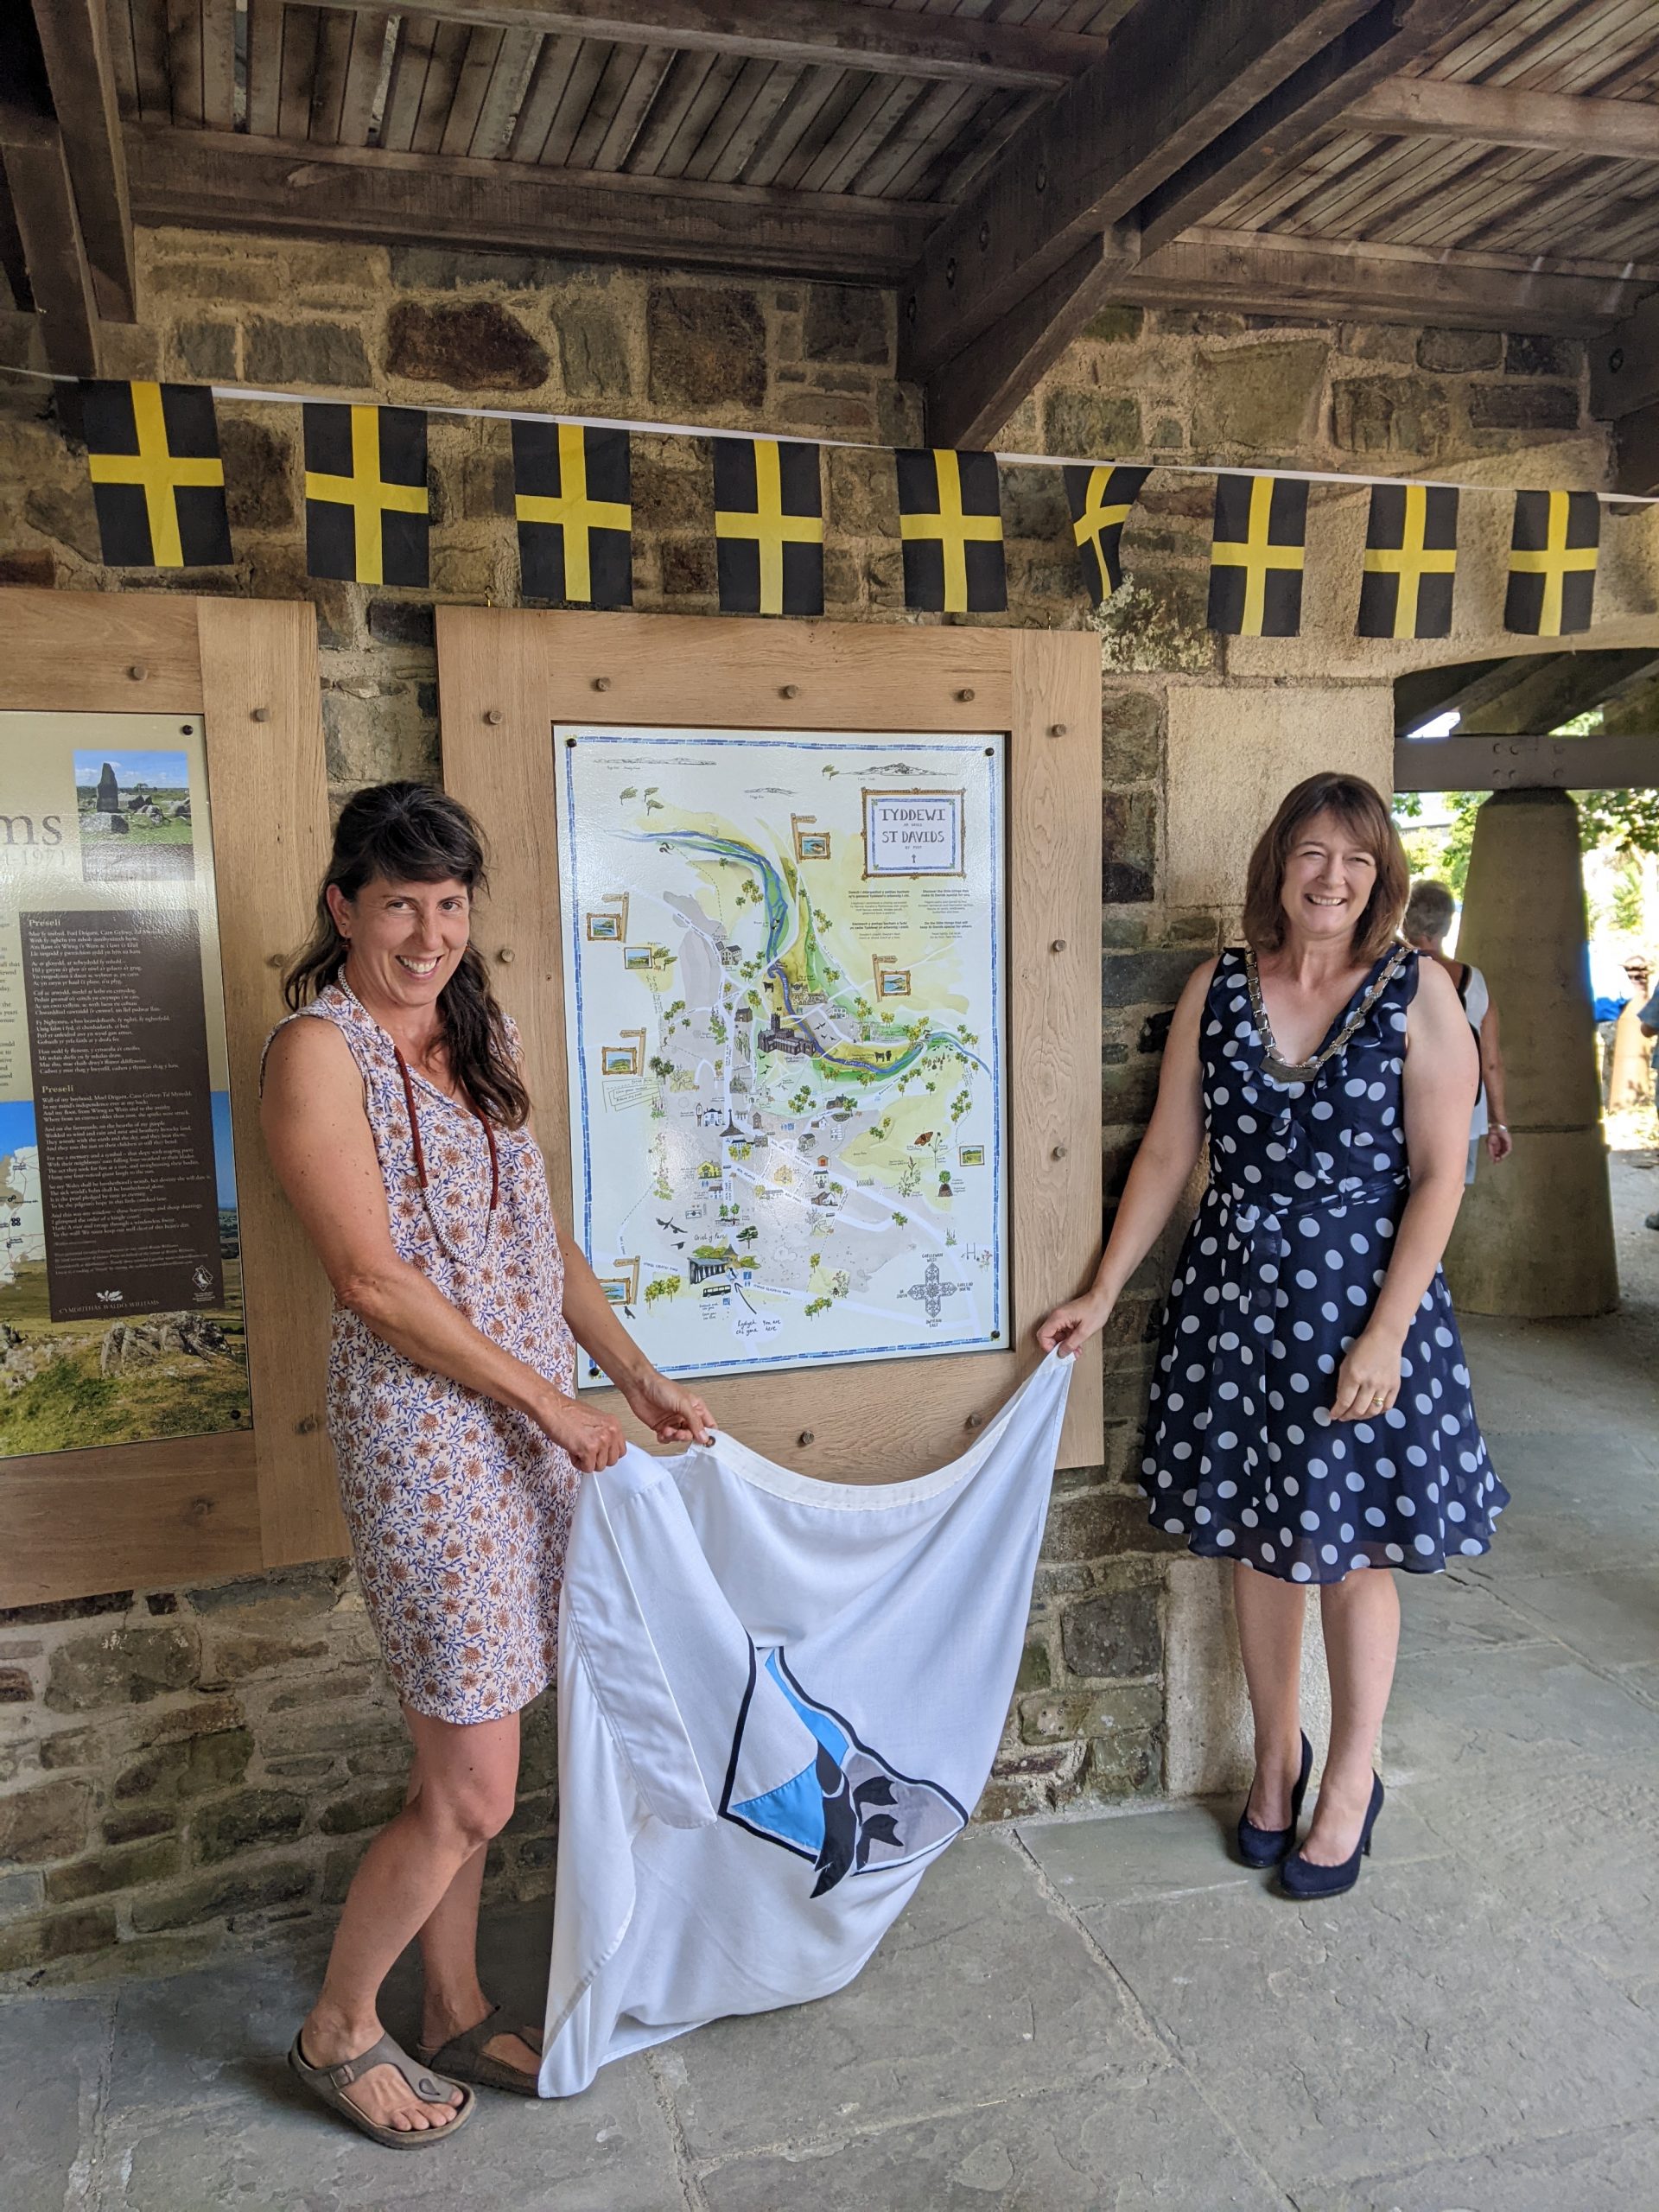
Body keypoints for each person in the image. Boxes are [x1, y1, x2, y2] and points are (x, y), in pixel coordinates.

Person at [261, 783, 712, 2148]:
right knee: (474, 1787)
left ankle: (449, 2001)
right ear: (344, 906)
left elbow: (537, 1243)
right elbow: (372, 1281)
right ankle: (340, 2029)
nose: (427, 934)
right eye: (399, 903)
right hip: (432, 1447)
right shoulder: (316, 1056)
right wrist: (551, 1408)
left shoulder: (479, 1028)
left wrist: (627, 1376)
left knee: (480, 1739)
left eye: (449, 905)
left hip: (538, 1427)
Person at [1039, 772, 1507, 1898]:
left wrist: (1386, 1335)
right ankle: (1276, 1757)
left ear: (1381, 873)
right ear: (1278, 865)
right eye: (1311, 853)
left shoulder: (1419, 994)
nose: (1332, 876)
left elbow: (1443, 1176)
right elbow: (1165, 1153)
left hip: (1360, 1313)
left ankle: (1351, 1779)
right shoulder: (1221, 986)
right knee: (1258, 1548)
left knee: (1347, 1555)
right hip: (1234, 1313)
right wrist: (1102, 1294)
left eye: (1355, 857)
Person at [1401, 880, 1512, 1182]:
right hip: (1463, 1116)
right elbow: (1490, 1062)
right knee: (1444, 1204)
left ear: (1403, 921)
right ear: (1447, 926)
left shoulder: (1389, 974)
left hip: (1397, 1114)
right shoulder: (1474, 982)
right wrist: (1497, 1124)